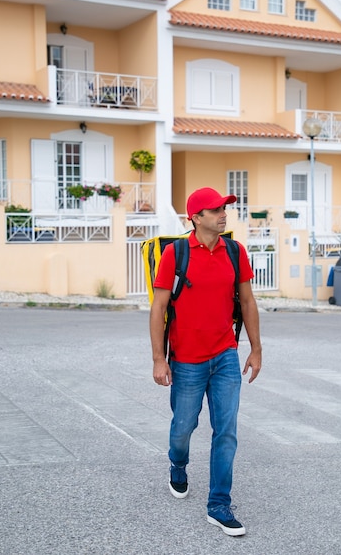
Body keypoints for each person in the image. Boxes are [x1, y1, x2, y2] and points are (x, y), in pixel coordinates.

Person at [150, 187, 262, 537]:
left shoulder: (235, 251)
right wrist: (158, 359)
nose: (223, 214)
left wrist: (255, 349)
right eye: (214, 210)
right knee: (183, 427)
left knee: (226, 432)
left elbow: (247, 301)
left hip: (225, 355)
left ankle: (219, 504)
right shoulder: (176, 254)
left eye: (224, 208)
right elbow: (158, 308)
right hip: (185, 361)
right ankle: (178, 464)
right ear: (196, 218)